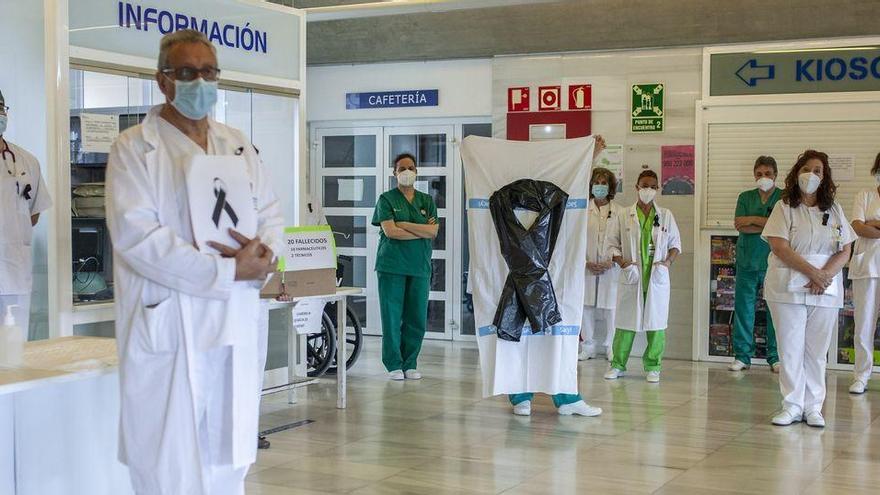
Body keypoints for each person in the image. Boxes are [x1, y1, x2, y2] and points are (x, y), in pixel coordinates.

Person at [106, 30, 283, 494]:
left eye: (208, 72)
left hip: (235, 316)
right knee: (169, 459)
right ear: (163, 81)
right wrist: (226, 271)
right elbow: (137, 238)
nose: (199, 81)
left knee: (230, 453)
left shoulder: (236, 144)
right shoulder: (134, 149)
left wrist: (264, 257)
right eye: (187, 72)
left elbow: (270, 214)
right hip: (172, 319)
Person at [507, 135, 606, 418]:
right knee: (523, 333)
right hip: (520, 267)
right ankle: (520, 396)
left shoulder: (556, 188)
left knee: (559, 333)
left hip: (558, 266)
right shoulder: (512, 186)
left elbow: (571, 178)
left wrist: (591, 155)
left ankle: (567, 398)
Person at [762, 150, 855, 427]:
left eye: (818, 170)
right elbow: (779, 246)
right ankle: (791, 405)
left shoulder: (834, 209)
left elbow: (846, 249)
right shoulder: (784, 207)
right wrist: (812, 272)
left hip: (824, 289)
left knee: (816, 351)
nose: (811, 175)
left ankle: (813, 407)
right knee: (790, 348)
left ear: (824, 176)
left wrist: (823, 275)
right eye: (806, 169)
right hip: (787, 288)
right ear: (796, 173)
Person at [603, 169, 681, 383]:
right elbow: (611, 245)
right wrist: (623, 262)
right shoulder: (623, 215)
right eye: (644, 185)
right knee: (625, 323)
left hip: (656, 277)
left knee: (656, 324)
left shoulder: (665, 215)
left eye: (652, 186)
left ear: (658, 189)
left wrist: (667, 263)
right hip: (632, 276)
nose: (648, 190)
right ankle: (617, 365)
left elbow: (675, 245)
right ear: (637, 187)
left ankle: (653, 366)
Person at [372, 153, 438, 381]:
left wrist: (405, 225)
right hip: (392, 265)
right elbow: (390, 232)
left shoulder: (426, 201)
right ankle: (393, 364)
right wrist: (420, 230)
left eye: (411, 168)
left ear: (416, 172)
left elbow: (433, 232)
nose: (406, 172)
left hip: (419, 266)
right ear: (394, 173)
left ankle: (410, 362)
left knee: (416, 316)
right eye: (402, 168)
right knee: (392, 316)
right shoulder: (386, 199)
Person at [0, 89, 52, 340]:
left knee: (13, 353)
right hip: (13, 267)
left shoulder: (26, 161)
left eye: (1, 108)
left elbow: (33, 214)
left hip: (15, 273)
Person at [729, 156, 783, 373]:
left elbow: (780, 227)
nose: (764, 178)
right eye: (759, 174)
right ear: (754, 175)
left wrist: (753, 220)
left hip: (774, 261)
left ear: (776, 175)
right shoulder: (745, 197)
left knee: (775, 310)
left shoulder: (783, 198)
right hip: (747, 260)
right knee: (744, 309)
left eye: (768, 174)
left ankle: (775, 356)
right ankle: (742, 356)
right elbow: (740, 225)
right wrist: (765, 223)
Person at [581, 166, 622, 361]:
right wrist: (585, 262)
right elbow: (574, 240)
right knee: (585, 306)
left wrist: (611, 260)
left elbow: (623, 240)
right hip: (587, 267)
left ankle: (610, 347)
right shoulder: (582, 210)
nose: (599, 186)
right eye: (596, 183)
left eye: (603, 183)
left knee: (611, 308)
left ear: (611, 186)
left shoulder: (620, 212)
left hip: (610, 268)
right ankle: (588, 346)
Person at [847, 151, 880, 395]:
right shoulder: (865, 195)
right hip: (867, 266)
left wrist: (874, 224)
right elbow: (857, 226)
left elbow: (866, 225)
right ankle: (861, 376)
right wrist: (867, 226)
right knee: (864, 323)